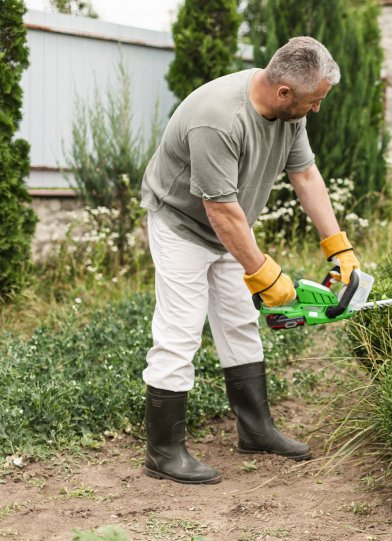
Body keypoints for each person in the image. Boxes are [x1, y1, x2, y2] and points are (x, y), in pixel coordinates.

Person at [139, 36, 360, 484]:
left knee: (240, 320)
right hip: (182, 224)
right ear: (285, 93)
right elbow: (218, 211)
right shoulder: (218, 120)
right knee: (180, 330)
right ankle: (162, 452)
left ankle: (256, 430)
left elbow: (305, 174)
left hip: (230, 226)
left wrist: (337, 244)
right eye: (314, 101)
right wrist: (262, 272)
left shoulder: (287, 113)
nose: (316, 109)